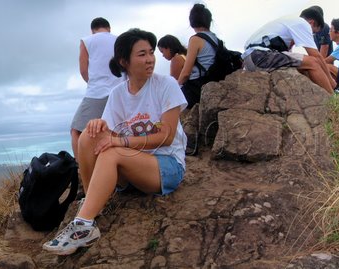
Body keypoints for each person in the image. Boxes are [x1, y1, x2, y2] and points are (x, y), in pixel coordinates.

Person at [43, 28, 188, 256]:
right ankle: (92, 204)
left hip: (166, 165)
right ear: (124, 61)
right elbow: (109, 135)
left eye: (151, 52)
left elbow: (166, 137)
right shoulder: (118, 93)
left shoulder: (165, 85)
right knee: (87, 138)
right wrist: (98, 127)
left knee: (113, 152)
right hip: (133, 167)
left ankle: (84, 226)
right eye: (142, 54)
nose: (150, 59)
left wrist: (121, 142)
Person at [242, 14, 336, 93]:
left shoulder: (285, 23)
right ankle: (333, 99)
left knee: (304, 66)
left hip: (251, 59)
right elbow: (316, 56)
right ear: (311, 23)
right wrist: (330, 80)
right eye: (313, 32)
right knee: (312, 62)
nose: (311, 35)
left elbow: (291, 58)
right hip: (259, 56)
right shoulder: (302, 23)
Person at [72, 17, 122, 160]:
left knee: (76, 130)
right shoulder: (120, 40)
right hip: (121, 91)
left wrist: (92, 83)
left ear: (92, 30)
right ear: (109, 28)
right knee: (114, 131)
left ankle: (81, 168)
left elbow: (83, 70)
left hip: (97, 93)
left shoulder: (86, 41)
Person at [177, 4, 219, 110]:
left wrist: (175, 88)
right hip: (213, 81)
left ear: (192, 22)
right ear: (209, 21)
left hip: (197, 87)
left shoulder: (195, 40)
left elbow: (186, 73)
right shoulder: (215, 38)